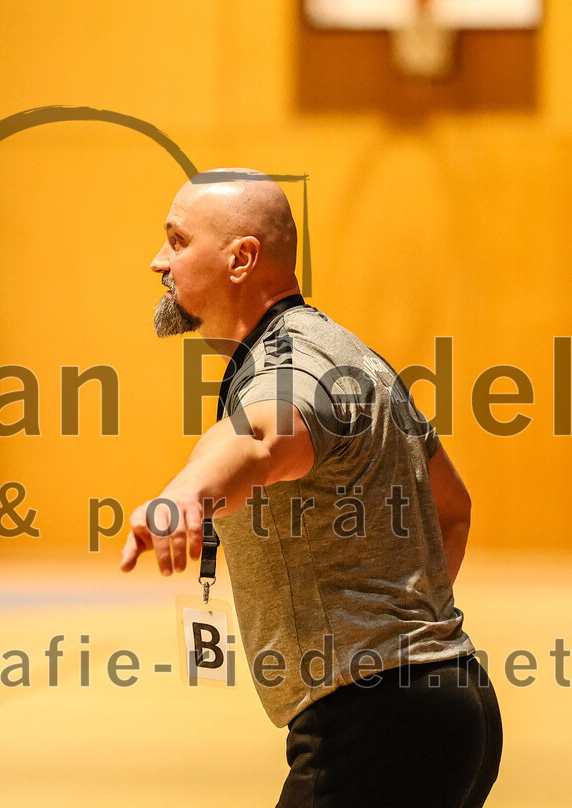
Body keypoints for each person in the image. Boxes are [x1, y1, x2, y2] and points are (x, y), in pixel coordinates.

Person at [119, 169, 503, 807]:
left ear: (242, 258)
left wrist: (189, 491)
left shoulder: (289, 366)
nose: (158, 261)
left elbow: (259, 438)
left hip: (376, 728)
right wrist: (412, 638)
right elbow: (452, 509)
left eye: (178, 240)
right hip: (455, 707)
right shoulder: (351, 355)